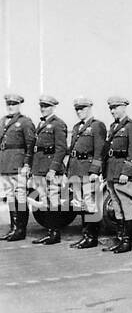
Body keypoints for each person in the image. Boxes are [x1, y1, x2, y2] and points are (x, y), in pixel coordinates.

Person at [101, 96, 132, 254]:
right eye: (111, 108)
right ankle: (120, 239)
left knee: (126, 206)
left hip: (123, 172)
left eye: (116, 108)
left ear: (124, 107)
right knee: (116, 207)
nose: (113, 111)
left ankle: (127, 241)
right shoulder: (113, 126)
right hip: (112, 170)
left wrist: (127, 171)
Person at [66, 99, 107, 250]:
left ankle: (91, 237)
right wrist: (68, 171)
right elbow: (72, 152)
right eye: (77, 109)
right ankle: (85, 236)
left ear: (90, 108)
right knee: (80, 204)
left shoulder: (97, 125)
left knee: (90, 204)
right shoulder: (77, 127)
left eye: (82, 109)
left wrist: (95, 171)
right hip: (77, 169)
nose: (79, 111)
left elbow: (100, 150)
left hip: (89, 170)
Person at [31, 95, 69, 245]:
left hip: (51, 169)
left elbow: (61, 149)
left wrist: (53, 169)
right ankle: (49, 232)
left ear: (53, 107)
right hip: (39, 168)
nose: (43, 108)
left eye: (46, 106)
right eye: (41, 106)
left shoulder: (58, 124)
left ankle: (54, 233)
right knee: (44, 200)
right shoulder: (41, 124)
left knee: (53, 200)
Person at [1, 93, 36, 242]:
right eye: (8, 104)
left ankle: (21, 229)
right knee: (10, 197)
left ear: (19, 105)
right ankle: (14, 228)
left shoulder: (25, 122)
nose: (10, 106)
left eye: (13, 104)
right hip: (5, 164)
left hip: (19, 164)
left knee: (20, 197)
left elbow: (30, 145)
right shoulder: (2, 121)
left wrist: (27, 164)